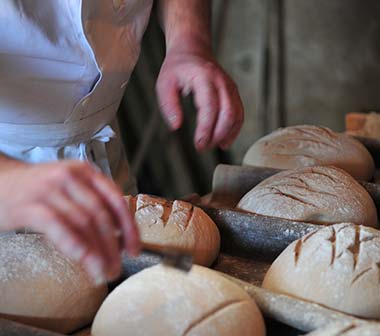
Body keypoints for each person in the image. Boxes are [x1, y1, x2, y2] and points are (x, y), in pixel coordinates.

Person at [0, 1, 244, 283]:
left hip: (103, 157)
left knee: (151, 288)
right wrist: (9, 180)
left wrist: (188, 40)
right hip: (8, 176)